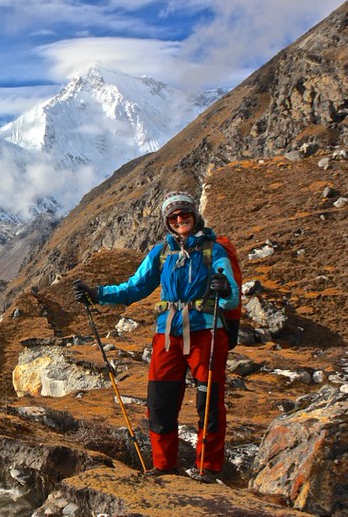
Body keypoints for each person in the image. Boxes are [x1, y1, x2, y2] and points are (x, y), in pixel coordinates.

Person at [73, 191, 239, 482]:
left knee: (209, 403)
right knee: (159, 402)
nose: (179, 219)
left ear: (194, 214)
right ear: (166, 221)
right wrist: (98, 294)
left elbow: (232, 296)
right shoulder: (161, 253)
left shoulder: (215, 250)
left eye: (184, 213)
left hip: (207, 331)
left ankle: (209, 468)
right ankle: (164, 466)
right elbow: (134, 287)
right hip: (167, 334)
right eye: (173, 216)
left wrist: (224, 290)